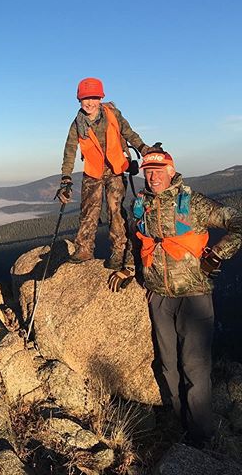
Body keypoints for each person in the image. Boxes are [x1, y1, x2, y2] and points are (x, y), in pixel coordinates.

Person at [108, 147, 242, 446]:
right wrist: (129, 269)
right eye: (148, 171)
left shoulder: (193, 203)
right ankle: (180, 425)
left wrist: (219, 254)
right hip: (158, 296)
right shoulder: (142, 204)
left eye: (159, 170)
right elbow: (138, 239)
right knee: (168, 364)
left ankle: (201, 437)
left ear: (171, 170)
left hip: (194, 296)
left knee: (194, 366)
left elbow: (238, 222)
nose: (153, 176)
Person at [56, 77, 149, 268]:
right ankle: (84, 249)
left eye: (94, 97)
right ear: (79, 100)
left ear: (100, 98)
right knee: (89, 210)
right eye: (85, 98)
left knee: (115, 211)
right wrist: (66, 178)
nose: (89, 102)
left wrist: (143, 148)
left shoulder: (113, 114)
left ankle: (119, 251)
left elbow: (128, 133)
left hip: (115, 168)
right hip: (93, 171)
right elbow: (70, 150)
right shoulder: (77, 125)